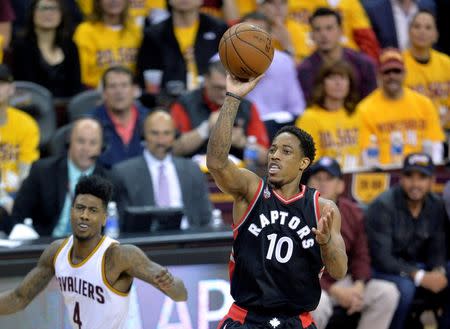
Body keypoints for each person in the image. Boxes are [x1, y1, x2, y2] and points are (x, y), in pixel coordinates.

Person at [206, 74, 348, 328]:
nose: (275, 156)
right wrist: (233, 98)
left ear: (303, 163)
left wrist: (326, 244)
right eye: (272, 150)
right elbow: (216, 163)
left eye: (286, 151)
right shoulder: (251, 190)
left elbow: (338, 271)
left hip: (296, 321)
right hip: (246, 318)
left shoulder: (323, 208)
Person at [0, 174, 187, 328]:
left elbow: (180, 294)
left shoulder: (119, 255)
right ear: (72, 211)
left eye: (93, 210)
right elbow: (19, 298)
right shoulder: (56, 252)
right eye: (80, 208)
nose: (84, 216)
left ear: (104, 218)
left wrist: (169, 282)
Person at [306, 157, 399, 329]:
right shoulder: (299, 210)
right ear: (308, 182)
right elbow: (298, 266)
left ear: (341, 185)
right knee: (316, 304)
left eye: (329, 179)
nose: (323, 184)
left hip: (343, 280)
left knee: (387, 293)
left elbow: (361, 255)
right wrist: (335, 291)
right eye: (318, 178)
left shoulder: (352, 212)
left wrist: (359, 286)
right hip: (310, 284)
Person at [365, 153, 450, 329]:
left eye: (422, 177)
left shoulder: (436, 205)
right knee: (405, 288)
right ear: (401, 178)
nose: (415, 184)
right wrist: (420, 276)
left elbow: (438, 247)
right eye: (410, 176)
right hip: (381, 270)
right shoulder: (383, 205)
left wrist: (438, 271)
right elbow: (382, 259)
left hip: (417, 266)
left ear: (432, 181)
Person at [112, 110, 213, 231]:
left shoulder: (192, 170)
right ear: (144, 135)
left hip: (189, 242)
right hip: (146, 243)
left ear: (174, 136)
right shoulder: (124, 173)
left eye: (166, 133)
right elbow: (121, 222)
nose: (161, 140)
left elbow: (206, 217)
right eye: (155, 133)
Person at [10, 117, 109, 237]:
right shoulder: (42, 172)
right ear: (69, 142)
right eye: (81, 141)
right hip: (46, 246)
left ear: (100, 148)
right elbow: (18, 215)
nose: (86, 149)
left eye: (93, 143)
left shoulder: (109, 180)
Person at [171, 59, 269, 163]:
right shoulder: (185, 104)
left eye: (227, 88)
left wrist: (243, 142)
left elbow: (265, 157)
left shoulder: (247, 107)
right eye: (218, 88)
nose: (223, 94)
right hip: (194, 171)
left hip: (237, 173)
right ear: (206, 80)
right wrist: (206, 129)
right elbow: (173, 149)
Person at [358, 48, 445, 166]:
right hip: (385, 172)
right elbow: (366, 153)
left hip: (420, 171)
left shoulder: (424, 104)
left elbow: (435, 146)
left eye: (396, 71)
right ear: (379, 75)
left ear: (405, 73)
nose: (392, 76)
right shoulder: (364, 109)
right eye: (387, 72)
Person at [137, 0, 227, 97]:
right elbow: (148, 76)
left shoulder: (219, 29)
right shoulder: (153, 34)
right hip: (168, 102)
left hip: (211, 99)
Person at [242, 11, 306, 142]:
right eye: (248, 33)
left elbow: (297, 107)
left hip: (278, 127)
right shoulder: (223, 61)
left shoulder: (284, 61)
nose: (254, 38)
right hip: (242, 127)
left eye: (260, 33)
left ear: (270, 36)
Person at [297, 7, 377, 105]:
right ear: (312, 35)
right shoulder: (304, 71)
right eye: (317, 30)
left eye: (329, 28)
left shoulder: (364, 64)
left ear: (341, 31)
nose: (324, 34)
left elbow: (371, 103)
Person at [296, 60, 361, 171]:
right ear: (322, 83)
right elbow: (307, 162)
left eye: (343, 78)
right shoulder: (309, 117)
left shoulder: (358, 114)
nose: (338, 83)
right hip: (324, 179)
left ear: (350, 84)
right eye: (332, 78)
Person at [11, 0, 82, 98]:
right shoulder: (21, 47)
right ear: (32, 13)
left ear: (62, 15)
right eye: (43, 8)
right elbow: (25, 87)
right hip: (34, 107)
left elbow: (76, 86)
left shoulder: (71, 46)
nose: (48, 13)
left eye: (53, 8)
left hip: (68, 107)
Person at [73, 0, 142, 88]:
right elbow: (81, 75)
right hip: (95, 93)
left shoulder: (135, 30)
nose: (114, 1)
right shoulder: (85, 31)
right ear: (98, 2)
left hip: (131, 93)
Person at [91, 66, 149, 169]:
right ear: (104, 93)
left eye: (124, 85)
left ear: (135, 90)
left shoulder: (150, 120)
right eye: (112, 86)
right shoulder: (91, 124)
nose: (119, 91)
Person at [403, 10, 450, 129]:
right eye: (417, 26)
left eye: (428, 27)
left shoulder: (446, 63)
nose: (422, 31)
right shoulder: (399, 64)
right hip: (411, 130)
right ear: (409, 32)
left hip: (445, 131)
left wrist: (439, 125)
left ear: (436, 35)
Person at [0, 64, 40, 195]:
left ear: (12, 89)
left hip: (17, 192)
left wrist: (20, 199)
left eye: (1, 83)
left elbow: (26, 169)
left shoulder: (26, 124)